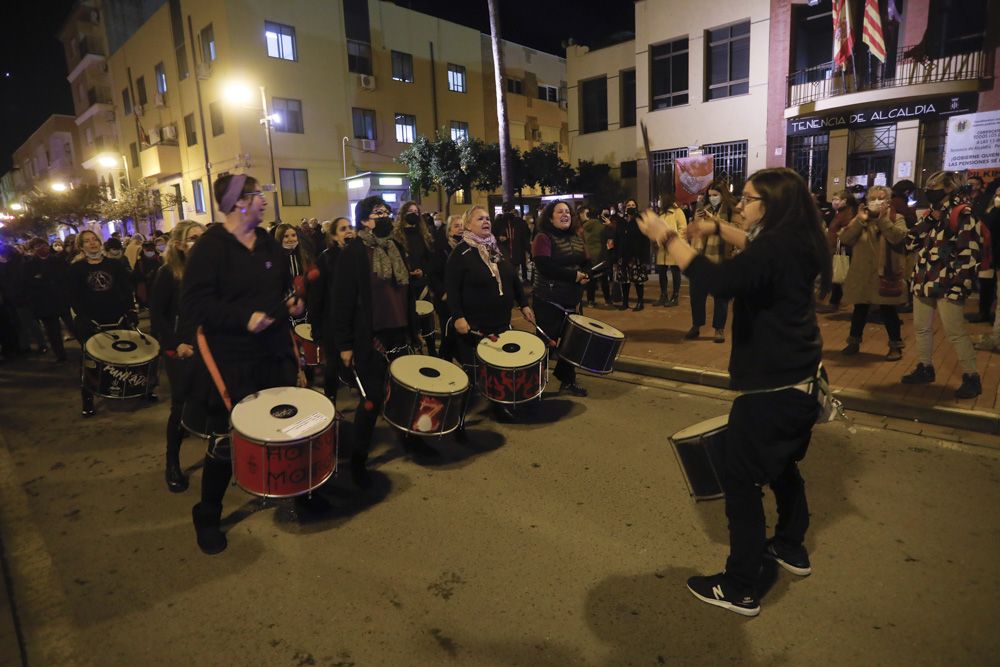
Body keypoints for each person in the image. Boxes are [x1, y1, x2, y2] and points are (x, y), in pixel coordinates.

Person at [638, 167, 830, 617]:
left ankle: (740, 586)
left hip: (773, 389)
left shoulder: (778, 246)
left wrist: (669, 237)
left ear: (772, 205)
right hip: (800, 382)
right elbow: (756, 250)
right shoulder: (798, 238)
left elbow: (719, 281)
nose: (740, 205)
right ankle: (789, 546)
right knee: (783, 466)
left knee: (741, 481)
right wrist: (716, 226)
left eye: (747, 199)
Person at [182, 173, 305, 554]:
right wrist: (243, 318)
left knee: (285, 425)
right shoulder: (210, 247)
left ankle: (294, 491)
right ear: (237, 202)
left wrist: (293, 306)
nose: (265, 200)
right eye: (257, 195)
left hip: (274, 353)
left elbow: (281, 290)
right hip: (231, 359)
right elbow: (196, 305)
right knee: (226, 440)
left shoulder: (268, 243)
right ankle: (207, 514)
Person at [332, 196, 422, 489]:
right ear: (364, 221)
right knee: (371, 401)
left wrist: (414, 328)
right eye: (377, 213)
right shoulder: (354, 252)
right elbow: (342, 302)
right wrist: (345, 343)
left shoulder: (395, 247)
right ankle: (358, 461)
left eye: (386, 212)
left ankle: (411, 440)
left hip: (400, 333)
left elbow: (406, 292)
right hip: (371, 338)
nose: (384, 216)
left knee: (406, 394)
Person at [446, 206, 534, 422]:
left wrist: (523, 303)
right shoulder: (461, 252)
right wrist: (457, 316)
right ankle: (459, 416)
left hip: (500, 321)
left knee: (497, 368)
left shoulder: (496, 247)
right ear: (468, 225)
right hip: (474, 324)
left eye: (487, 218)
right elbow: (452, 288)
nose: (486, 221)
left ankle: (498, 404)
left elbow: (512, 277)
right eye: (480, 219)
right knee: (473, 372)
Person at [901, 171, 983, 399]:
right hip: (924, 280)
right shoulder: (932, 214)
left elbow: (969, 254)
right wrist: (929, 219)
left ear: (949, 188)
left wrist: (960, 285)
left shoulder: (963, 213)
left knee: (955, 332)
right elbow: (908, 243)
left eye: (934, 185)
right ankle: (925, 367)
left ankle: (972, 377)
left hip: (948, 283)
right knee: (921, 328)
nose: (929, 190)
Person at [150, 220, 206, 492]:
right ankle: (172, 462)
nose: (199, 242)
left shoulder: (209, 272)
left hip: (208, 346)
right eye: (193, 238)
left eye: (202, 237)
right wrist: (176, 344)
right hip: (181, 349)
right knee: (180, 405)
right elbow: (158, 317)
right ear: (180, 244)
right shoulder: (167, 273)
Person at [67, 230, 140, 417]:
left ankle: (136, 390)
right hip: (91, 322)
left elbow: (126, 289)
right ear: (81, 246)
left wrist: (130, 310)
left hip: (117, 319)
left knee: (126, 357)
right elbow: (73, 297)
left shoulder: (114, 265)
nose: (92, 244)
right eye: (87, 241)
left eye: (95, 240)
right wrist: (84, 317)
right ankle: (88, 398)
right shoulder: (76, 269)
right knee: (90, 362)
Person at [837, 185, 908, 361]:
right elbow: (845, 239)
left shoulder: (896, 218)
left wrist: (882, 220)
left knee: (888, 310)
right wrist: (860, 221)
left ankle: (895, 346)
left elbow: (897, 237)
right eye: (873, 198)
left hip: (885, 274)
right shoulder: (861, 219)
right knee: (860, 309)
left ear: (888, 202)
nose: (877, 202)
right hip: (862, 273)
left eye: (881, 198)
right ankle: (853, 342)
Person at [531, 200, 589, 396]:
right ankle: (532, 385)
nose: (565, 215)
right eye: (560, 212)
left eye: (568, 212)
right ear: (550, 217)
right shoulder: (543, 237)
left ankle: (567, 380)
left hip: (571, 299)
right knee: (545, 345)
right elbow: (544, 266)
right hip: (548, 300)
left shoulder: (577, 237)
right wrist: (573, 276)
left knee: (571, 343)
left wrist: (587, 273)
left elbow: (586, 261)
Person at [308, 216, 355, 403]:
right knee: (333, 365)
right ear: (334, 236)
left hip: (354, 321)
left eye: (350, 227)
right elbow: (316, 296)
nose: (349, 231)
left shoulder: (359, 256)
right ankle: (330, 401)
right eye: (343, 229)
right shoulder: (326, 259)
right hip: (332, 321)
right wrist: (316, 325)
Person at [686, 183, 739, 341]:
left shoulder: (730, 210)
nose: (712, 198)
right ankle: (696, 325)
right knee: (696, 295)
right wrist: (695, 221)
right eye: (710, 195)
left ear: (723, 195)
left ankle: (719, 329)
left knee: (721, 297)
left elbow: (736, 229)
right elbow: (693, 231)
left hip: (721, 259)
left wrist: (715, 221)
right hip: (701, 258)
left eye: (715, 194)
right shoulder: (704, 208)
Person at [394, 201, 437, 354]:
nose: (414, 214)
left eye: (416, 212)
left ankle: (432, 350)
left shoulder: (423, 235)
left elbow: (429, 258)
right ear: (403, 214)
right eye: (410, 211)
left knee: (427, 319)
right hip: (405, 285)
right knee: (410, 319)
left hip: (422, 283)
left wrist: (423, 270)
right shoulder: (397, 237)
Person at [24, 238, 71, 362]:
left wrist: (42, 279)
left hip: (62, 300)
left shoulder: (58, 260)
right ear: (33, 249)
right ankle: (60, 356)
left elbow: (66, 277)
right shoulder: (29, 265)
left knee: (73, 326)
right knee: (53, 333)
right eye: (37, 246)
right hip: (45, 304)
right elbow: (29, 283)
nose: (42, 248)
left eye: (43, 244)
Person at [428, 214, 465, 362]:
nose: (460, 229)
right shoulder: (442, 249)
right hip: (446, 300)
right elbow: (433, 274)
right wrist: (442, 292)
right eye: (456, 226)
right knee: (448, 332)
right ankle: (445, 359)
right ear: (449, 231)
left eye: (462, 226)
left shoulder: (467, 247)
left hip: (462, 299)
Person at [817, 189, 860, 313]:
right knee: (838, 276)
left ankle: (839, 302)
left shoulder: (848, 213)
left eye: (837, 199)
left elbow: (848, 229)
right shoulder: (840, 212)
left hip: (842, 249)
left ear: (845, 201)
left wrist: (840, 233)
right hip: (837, 248)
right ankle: (835, 302)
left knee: (840, 274)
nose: (834, 202)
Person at [652, 192, 687, 307]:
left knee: (675, 271)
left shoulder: (678, 212)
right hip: (662, 248)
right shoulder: (661, 214)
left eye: (661, 200)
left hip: (674, 247)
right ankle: (663, 295)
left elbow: (683, 229)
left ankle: (675, 296)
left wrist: (675, 241)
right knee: (661, 271)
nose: (659, 202)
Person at [614, 199, 650, 311]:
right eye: (629, 205)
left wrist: (645, 257)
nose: (631, 207)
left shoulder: (640, 219)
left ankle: (640, 302)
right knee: (625, 280)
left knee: (638, 280)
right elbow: (617, 237)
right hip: (623, 255)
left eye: (633, 205)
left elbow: (645, 239)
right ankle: (625, 302)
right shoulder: (621, 221)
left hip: (636, 255)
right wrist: (617, 255)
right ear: (625, 207)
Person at [493, 202, 532, 284]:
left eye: (508, 210)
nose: (507, 212)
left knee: (513, 277)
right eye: (506, 210)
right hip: (504, 255)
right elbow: (492, 236)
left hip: (515, 255)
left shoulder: (520, 222)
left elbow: (526, 237)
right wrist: (498, 238)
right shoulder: (498, 222)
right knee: (508, 277)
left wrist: (529, 251)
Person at [580, 206, 605, 308]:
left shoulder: (584, 227)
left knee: (589, 279)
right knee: (602, 278)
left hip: (587, 255)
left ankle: (590, 300)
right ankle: (607, 299)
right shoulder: (601, 226)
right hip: (599, 255)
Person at [131, 240, 162, 309]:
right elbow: (136, 277)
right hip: (146, 289)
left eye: (151, 249)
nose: (149, 251)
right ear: (143, 250)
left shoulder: (160, 259)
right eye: (147, 249)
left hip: (159, 289)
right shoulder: (140, 262)